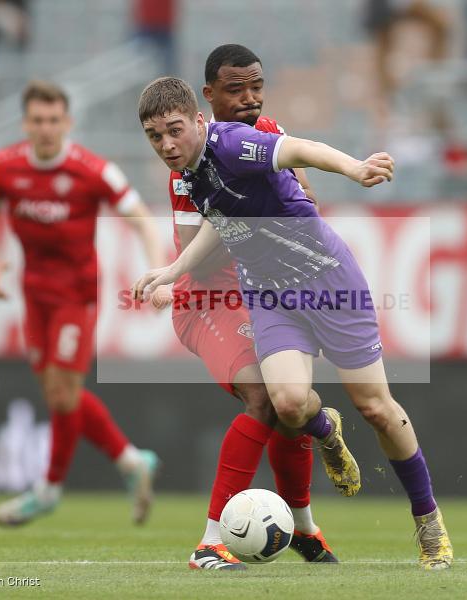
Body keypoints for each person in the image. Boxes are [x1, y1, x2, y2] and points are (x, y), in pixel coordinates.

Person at [134, 77, 453, 569]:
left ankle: (428, 521)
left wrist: (355, 167)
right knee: (285, 402)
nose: (166, 145)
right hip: (270, 296)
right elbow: (222, 224)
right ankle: (324, 429)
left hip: (328, 282)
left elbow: (297, 148)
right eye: (155, 137)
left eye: (174, 131)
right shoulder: (191, 176)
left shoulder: (232, 143)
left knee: (377, 409)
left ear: (199, 120)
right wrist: (173, 272)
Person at [162, 44, 335, 570]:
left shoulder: (270, 135)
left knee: (291, 408)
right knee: (263, 393)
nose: (248, 99)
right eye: (234, 90)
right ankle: (209, 542)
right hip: (207, 300)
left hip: (263, 294)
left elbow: (305, 200)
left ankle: (304, 531)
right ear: (208, 101)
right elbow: (192, 255)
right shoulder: (188, 169)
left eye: (254, 87)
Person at [0, 80, 161, 527]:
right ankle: (133, 461)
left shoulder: (92, 170)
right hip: (34, 295)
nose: (45, 129)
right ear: (25, 123)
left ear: (68, 122)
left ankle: (49, 489)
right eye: (37, 120)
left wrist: (158, 272)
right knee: (61, 396)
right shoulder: (4, 167)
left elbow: (141, 219)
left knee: (63, 395)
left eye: (53, 120)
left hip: (76, 296)